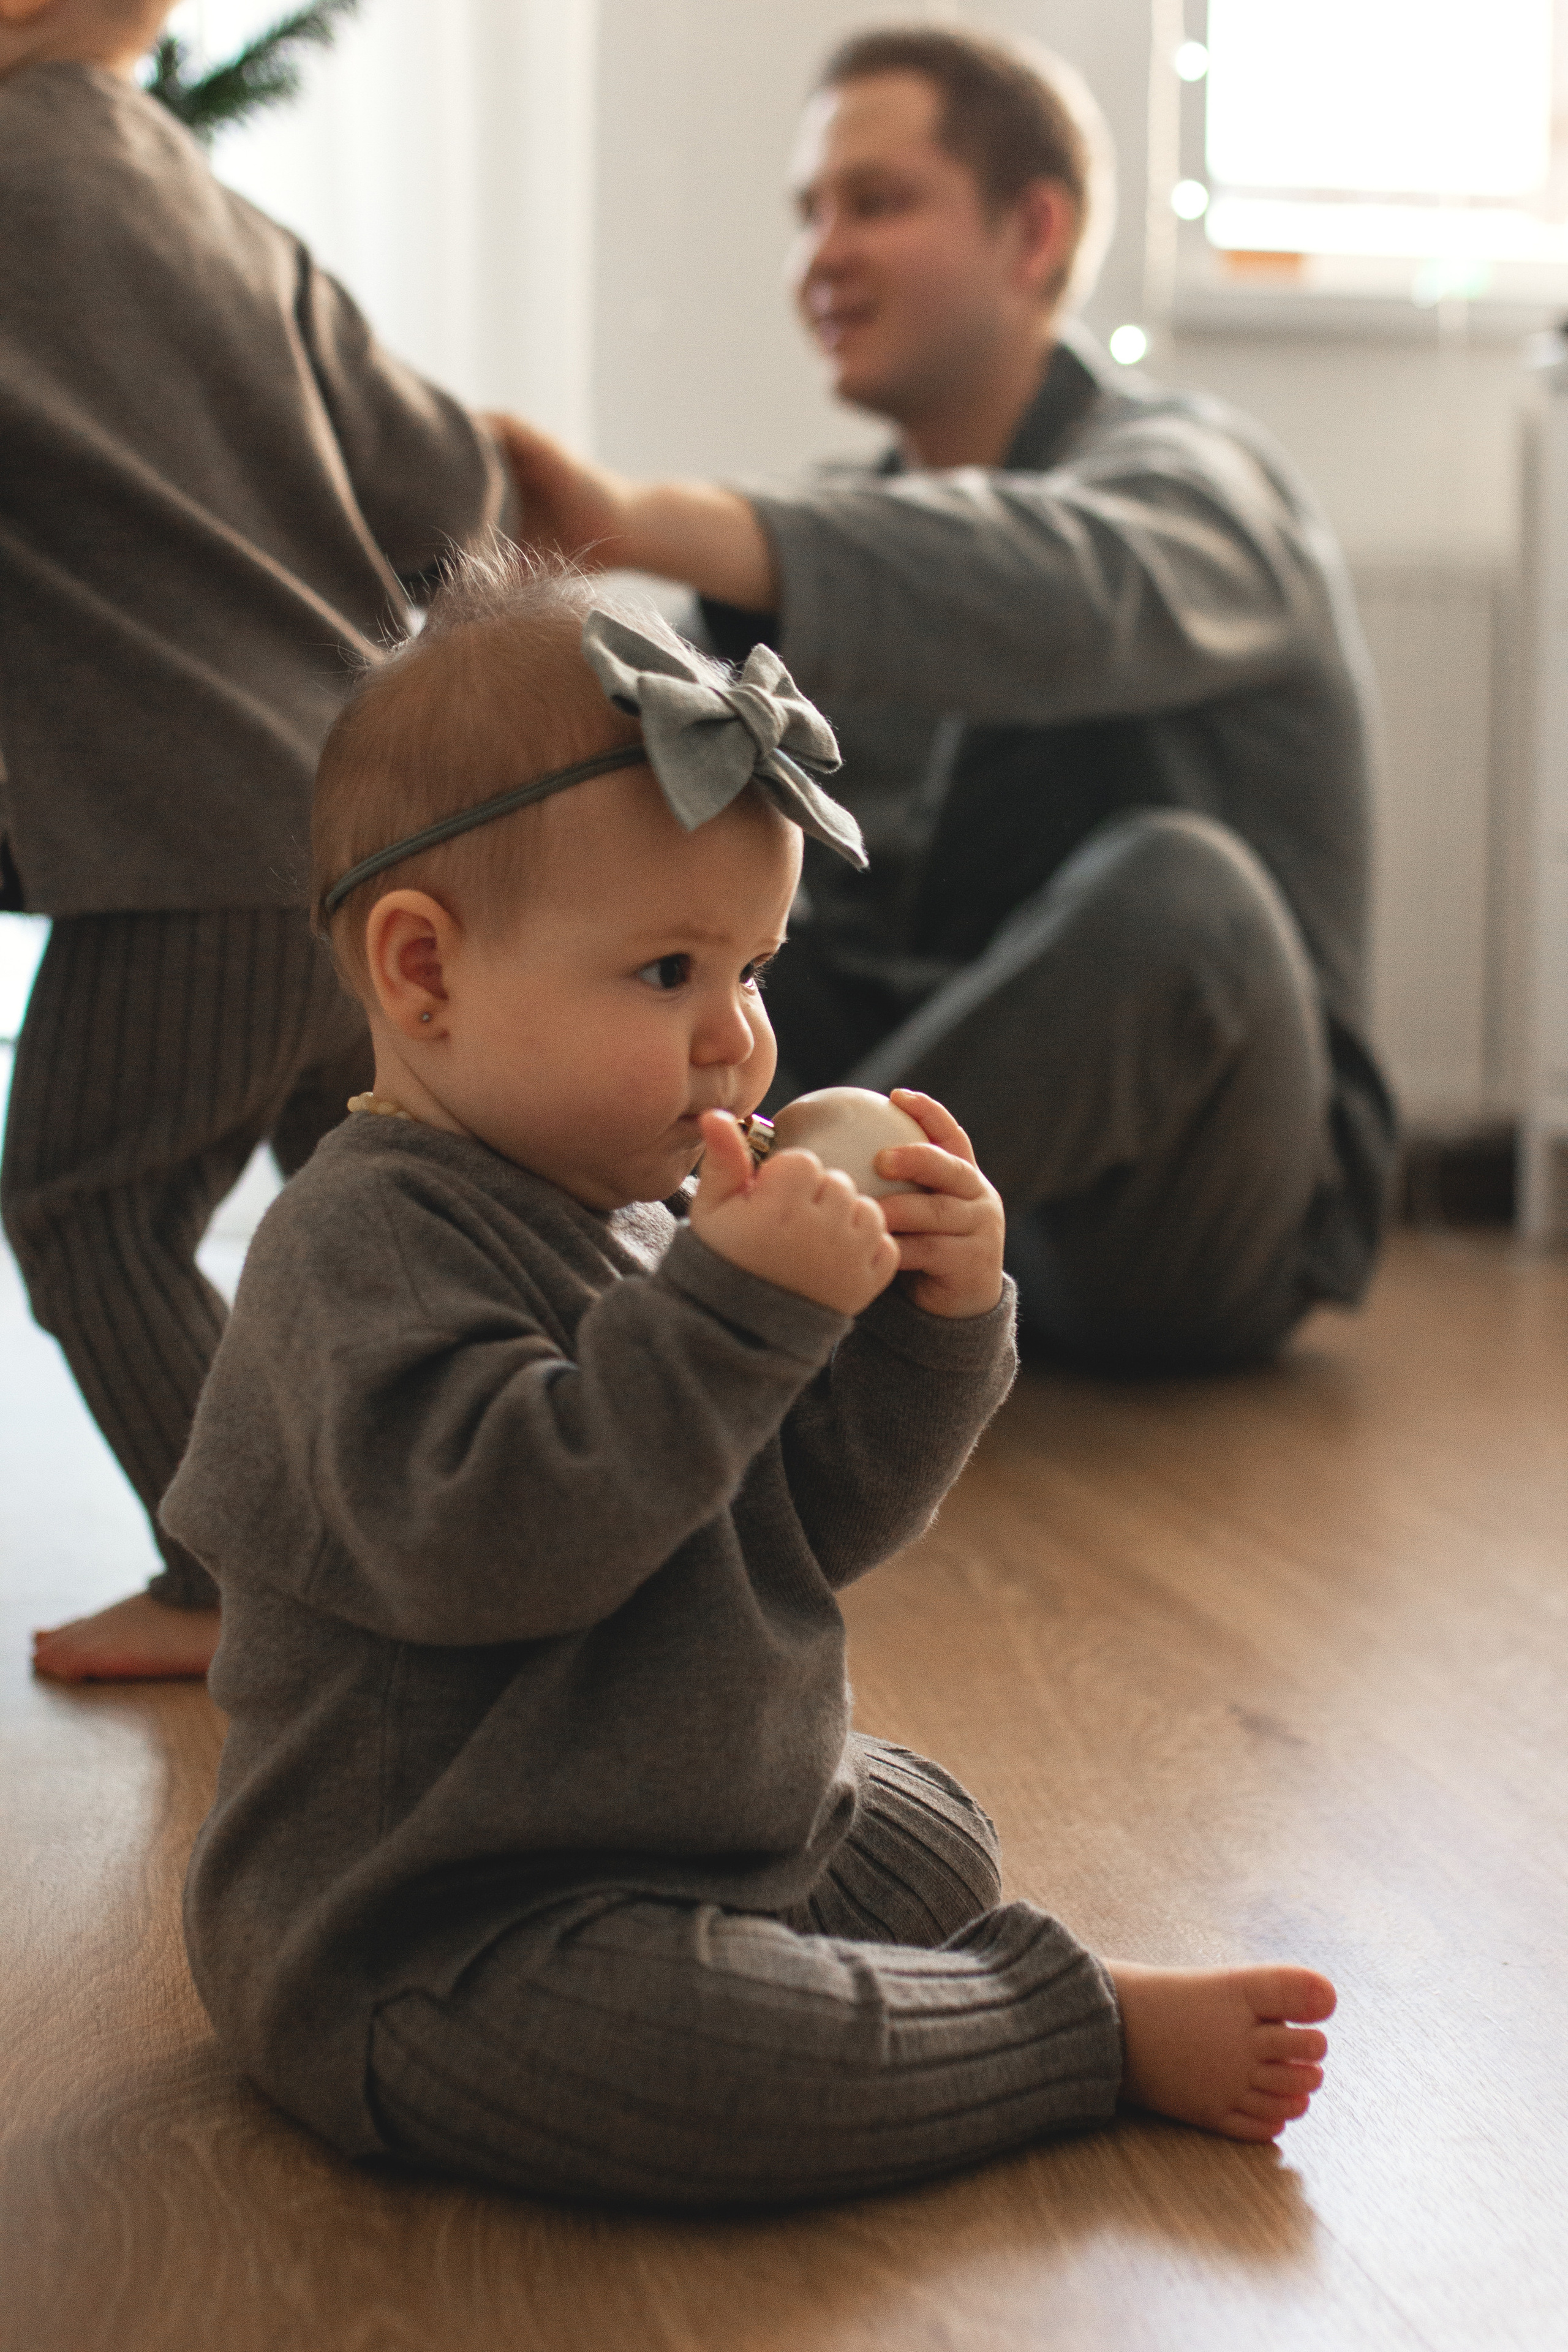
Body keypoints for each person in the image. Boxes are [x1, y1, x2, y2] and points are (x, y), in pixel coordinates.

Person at [161, 553, 1335, 2204]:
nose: (741, 1042)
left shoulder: (636, 1219)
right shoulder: (356, 1251)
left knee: (925, 1832)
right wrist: (728, 1310)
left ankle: (828, 1940)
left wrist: (940, 1311)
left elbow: (803, 1524)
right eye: (669, 976)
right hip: (438, 1922)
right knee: (704, 2063)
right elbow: (505, 1542)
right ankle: (1067, 2030)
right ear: (423, 972)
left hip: (641, 1812)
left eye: (756, 972)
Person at [489, 24, 1397, 1379]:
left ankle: (707, 1298)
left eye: (877, 201)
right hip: (958, 1187)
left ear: (1033, 233)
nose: (820, 255)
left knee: (1185, 889)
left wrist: (645, 521)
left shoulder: (1203, 480)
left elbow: (1052, 588)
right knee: (725, 894)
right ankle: (535, 1262)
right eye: (808, 213)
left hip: (1184, 1225)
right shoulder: (858, 519)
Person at [0, 0, 512, 1683]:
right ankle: (463, 1544)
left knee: (93, 1199)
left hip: (185, 833)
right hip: (364, 813)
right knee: (359, 1206)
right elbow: (450, 476)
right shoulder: (224, 215)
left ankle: (233, 1579)